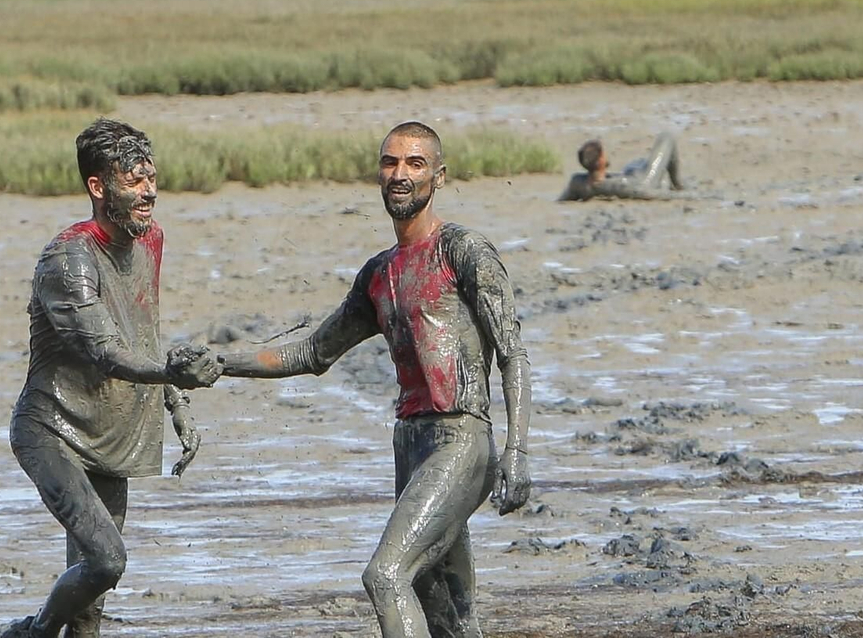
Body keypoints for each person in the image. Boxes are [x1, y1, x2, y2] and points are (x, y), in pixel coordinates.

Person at [219, 121, 532, 638]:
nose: (400, 174)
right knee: (447, 613)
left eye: (414, 163)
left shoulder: (465, 251)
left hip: (461, 440)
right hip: (409, 447)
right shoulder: (378, 273)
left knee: (386, 576)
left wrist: (517, 450)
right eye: (390, 163)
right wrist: (219, 365)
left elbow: (513, 352)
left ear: (439, 176)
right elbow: (313, 352)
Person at [3, 119, 222, 638]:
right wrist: (175, 373)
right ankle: (33, 632)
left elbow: (142, 331)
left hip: (112, 433)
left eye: (151, 178)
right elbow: (104, 350)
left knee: (93, 603)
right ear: (98, 188)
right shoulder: (68, 258)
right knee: (106, 560)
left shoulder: (150, 242)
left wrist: (177, 406)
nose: (148, 192)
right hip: (51, 430)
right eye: (133, 181)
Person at [557, 132, 685, 202]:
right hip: (645, 181)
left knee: (636, 163)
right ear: (601, 160)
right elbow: (652, 194)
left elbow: (562, 200)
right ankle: (678, 184)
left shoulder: (577, 182)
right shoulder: (620, 186)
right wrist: (690, 196)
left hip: (630, 175)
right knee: (667, 138)